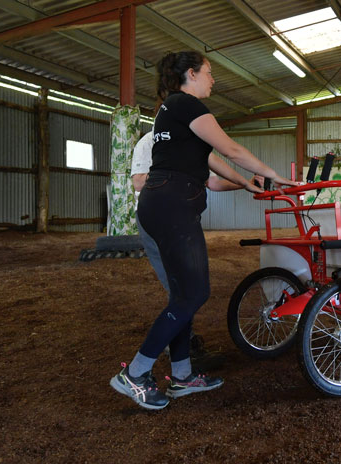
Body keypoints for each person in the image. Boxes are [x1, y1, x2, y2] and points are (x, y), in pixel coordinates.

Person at [111, 51, 300, 410]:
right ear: (191, 74)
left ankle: (182, 376)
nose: (214, 80)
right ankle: (135, 373)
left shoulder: (172, 113)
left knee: (184, 295)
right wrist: (275, 175)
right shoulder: (186, 105)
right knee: (193, 294)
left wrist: (249, 184)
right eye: (210, 73)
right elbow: (229, 148)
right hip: (172, 208)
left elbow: (214, 171)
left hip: (166, 205)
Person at [130, 131, 260, 370]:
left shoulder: (192, 143)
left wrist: (244, 184)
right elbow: (138, 181)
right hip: (160, 218)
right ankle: (157, 361)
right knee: (182, 289)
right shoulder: (150, 141)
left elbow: (212, 181)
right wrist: (177, 173)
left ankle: (182, 363)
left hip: (183, 218)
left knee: (188, 289)